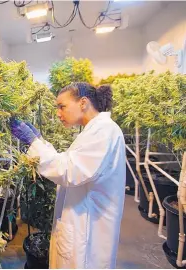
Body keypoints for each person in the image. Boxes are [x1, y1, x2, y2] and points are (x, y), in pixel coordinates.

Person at [10, 82, 126, 269]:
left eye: (62, 106)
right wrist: (39, 141)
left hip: (88, 232)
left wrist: (33, 143)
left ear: (83, 102)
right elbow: (69, 160)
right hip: (82, 220)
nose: (58, 113)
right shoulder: (96, 130)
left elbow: (69, 171)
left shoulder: (104, 131)